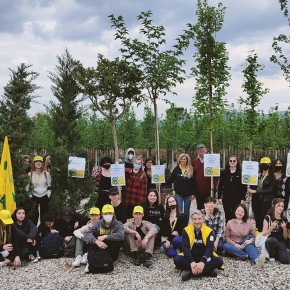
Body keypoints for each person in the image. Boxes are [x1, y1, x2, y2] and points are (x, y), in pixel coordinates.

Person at [174, 209, 224, 281]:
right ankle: (208, 272)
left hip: (204, 257)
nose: (197, 221)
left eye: (199, 219)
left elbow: (209, 249)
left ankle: (189, 273)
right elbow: (185, 248)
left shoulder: (209, 231)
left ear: (203, 219)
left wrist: (203, 262)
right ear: (191, 220)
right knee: (177, 259)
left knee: (219, 261)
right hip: (191, 257)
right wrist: (191, 262)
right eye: (194, 219)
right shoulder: (186, 230)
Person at [83, 204, 124, 273]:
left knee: (117, 240)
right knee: (93, 238)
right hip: (99, 245)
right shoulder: (98, 223)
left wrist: (106, 236)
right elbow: (87, 234)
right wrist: (96, 241)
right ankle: (92, 261)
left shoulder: (118, 224)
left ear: (113, 214)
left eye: (110, 213)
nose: (108, 215)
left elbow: (121, 235)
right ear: (102, 214)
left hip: (111, 247)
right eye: (106, 213)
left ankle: (97, 259)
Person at [247, 157, 275, 232]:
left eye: (266, 164)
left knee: (264, 217)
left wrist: (255, 192)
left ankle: (264, 233)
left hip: (265, 201)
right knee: (257, 217)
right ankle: (258, 233)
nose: (264, 165)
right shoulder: (256, 174)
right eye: (262, 164)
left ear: (270, 165)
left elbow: (270, 190)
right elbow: (252, 186)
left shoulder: (272, 176)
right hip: (256, 200)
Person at [166, 153, 195, 221]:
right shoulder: (177, 169)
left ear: (187, 160)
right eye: (181, 159)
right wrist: (163, 182)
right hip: (178, 193)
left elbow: (194, 182)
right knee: (179, 210)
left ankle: (186, 226)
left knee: (186, 211)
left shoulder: (191, 169)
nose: (183, 160)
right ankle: (179, 225)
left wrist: (194, 194)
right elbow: (171, 179)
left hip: (188, 194)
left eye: (184, 159)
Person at [218, 156, 246, 222]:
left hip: (237, 198)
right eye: (230, 161)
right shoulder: (224, 172)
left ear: (237, 162)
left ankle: (236, 231)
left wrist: (243, 198)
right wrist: (219, 197)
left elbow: (243, 187)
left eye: (234, 161)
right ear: (228, 162)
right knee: (227, 216)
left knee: (236, 215)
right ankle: (228, 231)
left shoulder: (241, 173)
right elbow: (220, 185)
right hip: (226, 198)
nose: (232, 162)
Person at [262, 198, 290, 264]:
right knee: (272, 240)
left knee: (285, 260)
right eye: (278, 205)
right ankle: (271, 254)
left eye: (282, 206)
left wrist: (284, 229)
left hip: (280, 241)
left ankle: (276, 254)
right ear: (274, 206)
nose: (280, 208)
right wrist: (271, 227)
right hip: (270, 241)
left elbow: (285, 237)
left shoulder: (284, 219)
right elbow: (264, 234)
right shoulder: (268, 217)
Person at [27, 155, 52, 224]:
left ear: (42, 164)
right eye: (36, 162)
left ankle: (43, 231)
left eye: (40, 162)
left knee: (44, 215)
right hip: (34, 196)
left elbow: (49, 186)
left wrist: (48, 196)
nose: (38, 163)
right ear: (34, 164)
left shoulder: (46, 174)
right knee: (34, 215)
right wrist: (30, 196)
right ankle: (34, 232)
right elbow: (27, 187)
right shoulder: (30, 174)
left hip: (44, 196)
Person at [192, 144, 211, 210]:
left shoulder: (211, 160)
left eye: (203, 149)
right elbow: (193, 176)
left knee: (209, 208)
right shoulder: (194, 162)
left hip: (209, 190)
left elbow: (216, 175)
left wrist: (214, 185)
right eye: (199, 150)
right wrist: (194, 190)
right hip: (198, 191)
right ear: (197, 152)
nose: (201, 151)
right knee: (200, 208)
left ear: (206, 150)